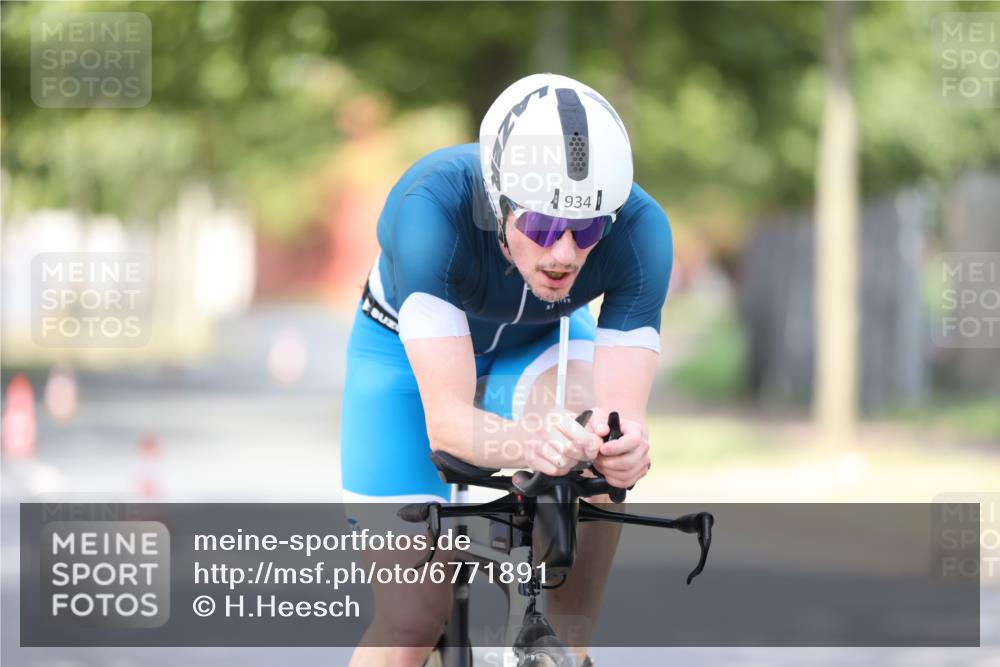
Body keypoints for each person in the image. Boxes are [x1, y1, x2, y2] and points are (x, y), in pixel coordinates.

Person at [341, 72, 672, 666]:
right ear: (498, 202)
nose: (565, 252)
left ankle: (564, 644)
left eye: (588, 228)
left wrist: (624, 449)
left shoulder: (643, 231)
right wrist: (530, 441)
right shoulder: (431, 206)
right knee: (411, 621)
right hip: (399, 354)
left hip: (540, 343)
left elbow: (622, 424)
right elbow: (446, 424)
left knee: (594, 442)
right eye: (542, 225)